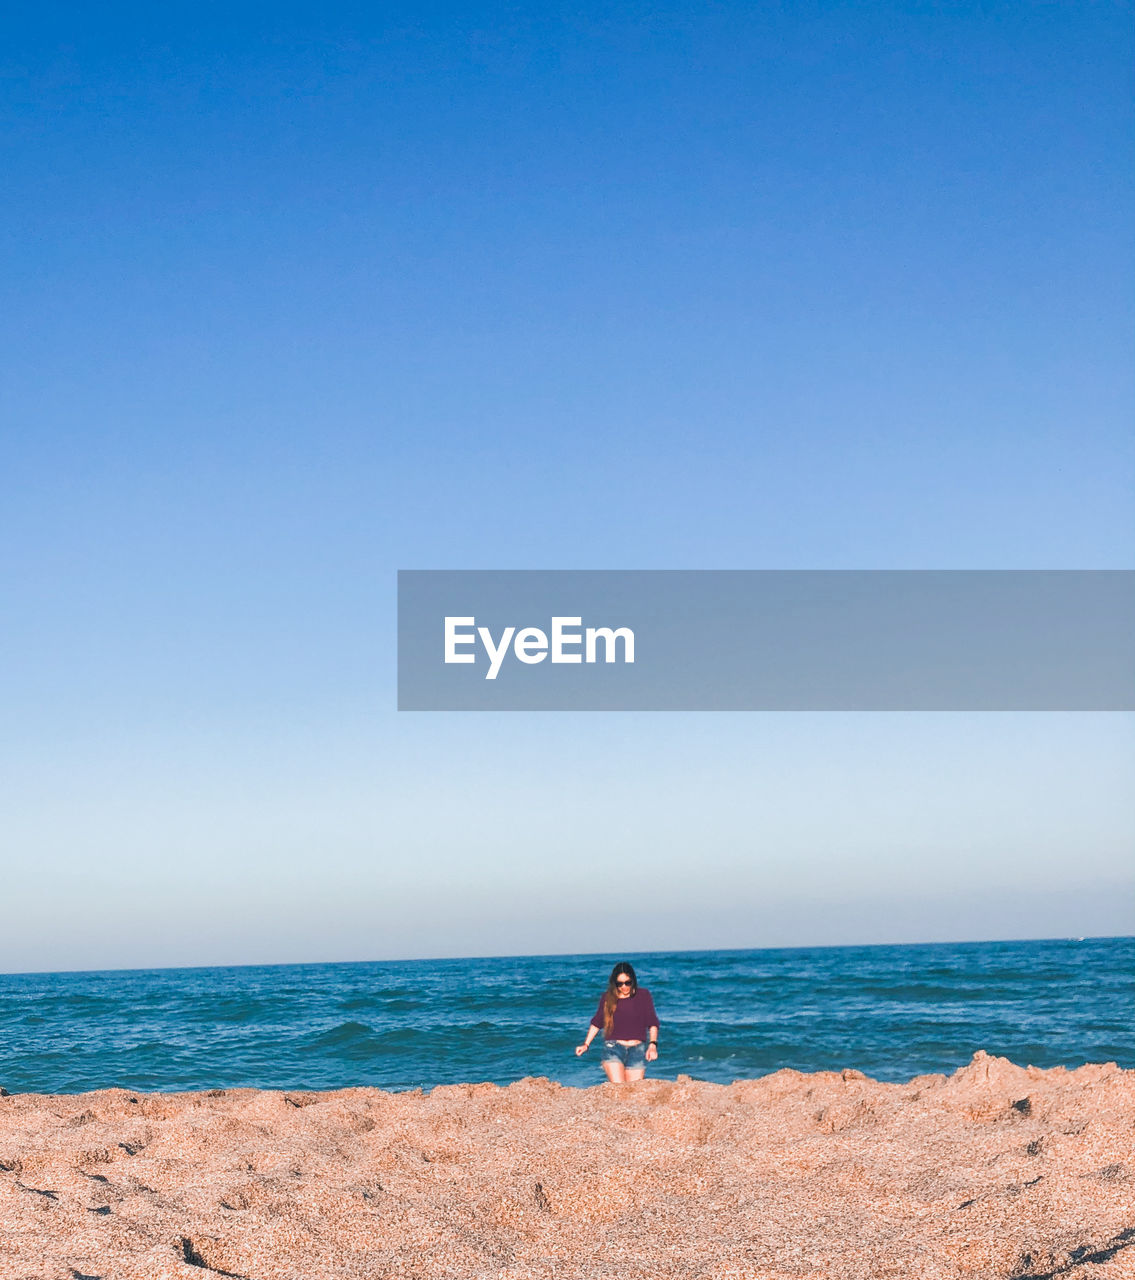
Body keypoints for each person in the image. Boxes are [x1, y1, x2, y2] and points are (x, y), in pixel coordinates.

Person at [575, 961, 659, 1082]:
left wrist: (652, 1045)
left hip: (637, 1050)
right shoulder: (607, 998)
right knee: (619, 1089)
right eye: (620, 983)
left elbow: (652, 1022)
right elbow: (597, 1022)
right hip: (613, 1048)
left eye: (627, 983)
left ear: (633, 980)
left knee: (632, 1091)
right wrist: (586, 1044)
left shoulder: (643, 995)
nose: (624, 986)